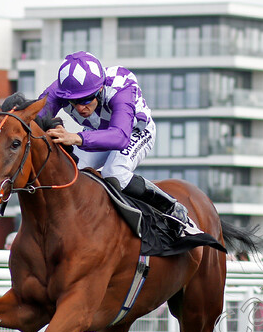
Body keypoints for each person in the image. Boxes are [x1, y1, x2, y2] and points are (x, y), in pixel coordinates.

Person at [36, 51, 189, 232]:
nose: (79, 107)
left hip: (133, 132)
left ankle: (171, 207)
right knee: (69, 170)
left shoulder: (121, 87)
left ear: (100, 89)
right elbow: (33, 119)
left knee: (113, 172)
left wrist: (76, 138)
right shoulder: (61, 89)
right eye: (73, 101)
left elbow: (119, 137)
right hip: (96, 132)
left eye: (85, 99)